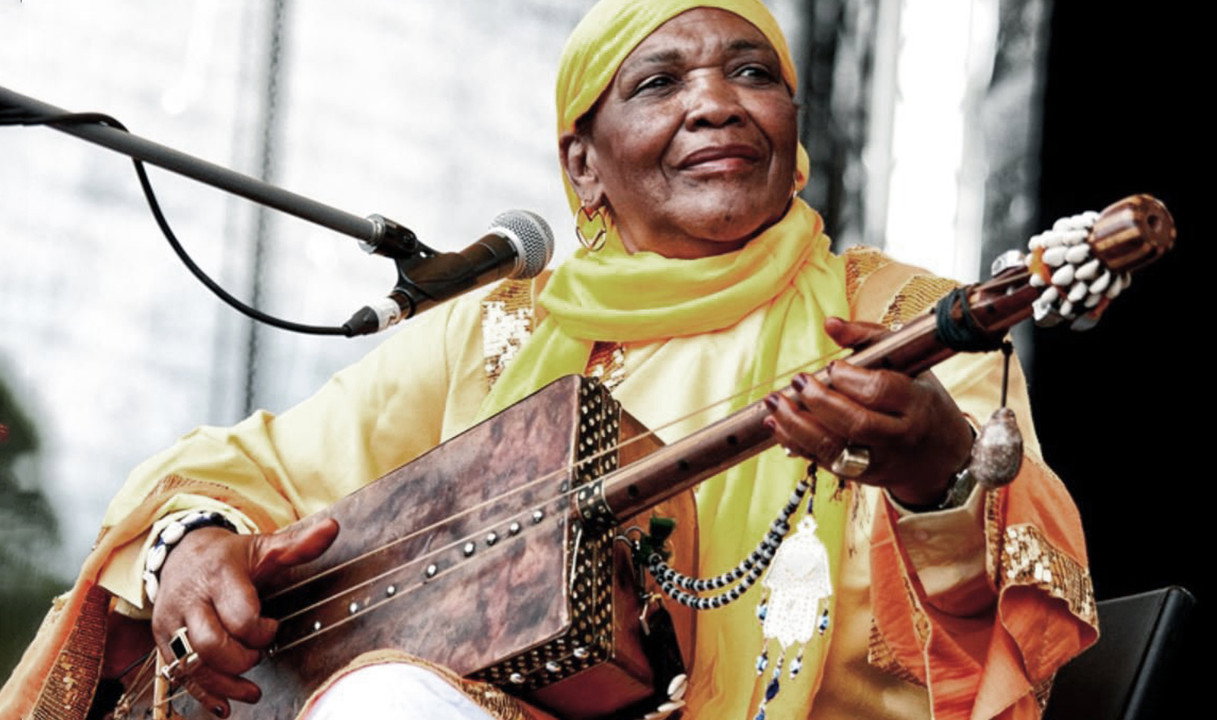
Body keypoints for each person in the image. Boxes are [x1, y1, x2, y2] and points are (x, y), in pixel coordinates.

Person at [0, 1, 1098, 719]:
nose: (715, 101)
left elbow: (1001, 605)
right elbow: (248, 465)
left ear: (791, 124)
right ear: (581, 165)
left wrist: (934, 472)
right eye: (658, 83)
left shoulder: (894, 317)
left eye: (750, 71)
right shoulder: (493, 335)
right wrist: (192, 547)